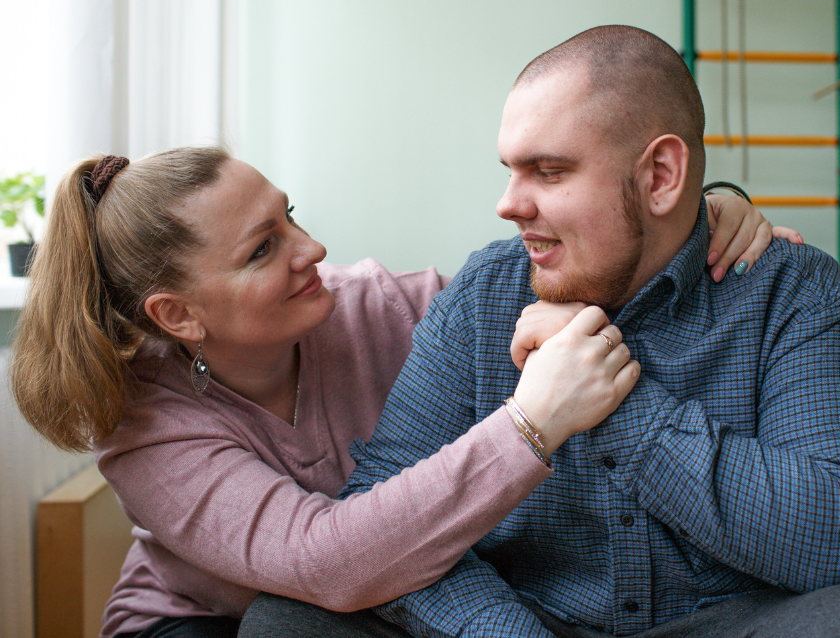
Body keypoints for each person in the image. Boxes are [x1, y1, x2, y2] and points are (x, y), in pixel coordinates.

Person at [251, 25, 840, 638]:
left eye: (548, 171)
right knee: (285, 622)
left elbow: (837, 538)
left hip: (729, 620)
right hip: (526, 615)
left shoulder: (797, 293)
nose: (508, 205)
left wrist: (616, 404)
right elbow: (378, 522)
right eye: (510, 171)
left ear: (661, 176)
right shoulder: (484, 296)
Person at [9, 146, 786, 638]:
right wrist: (530, 427)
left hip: (390, 594)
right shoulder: (147, 429)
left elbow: (549, 281)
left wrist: (688, 219)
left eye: (290, 216)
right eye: (263, 248)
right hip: (214, 623)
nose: (312, 249)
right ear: (177, 316)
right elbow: (326, 563)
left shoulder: (375, 305)